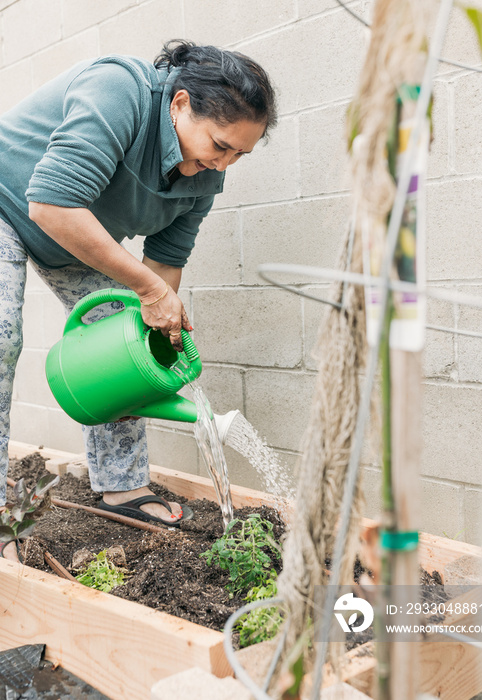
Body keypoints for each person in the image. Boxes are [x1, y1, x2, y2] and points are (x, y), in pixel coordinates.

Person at [0, 40, 277, 560]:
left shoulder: (206, 176)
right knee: (1, 340)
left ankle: (122, 486)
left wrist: (145, 345)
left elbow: (165, 262)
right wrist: (149, 293)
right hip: (15, 202)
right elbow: (52, 204)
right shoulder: (119, 90)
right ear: (179, 105)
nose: (225, 164)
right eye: (220, 144)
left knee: (124, 348)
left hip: (78, 235)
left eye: (241, 153)